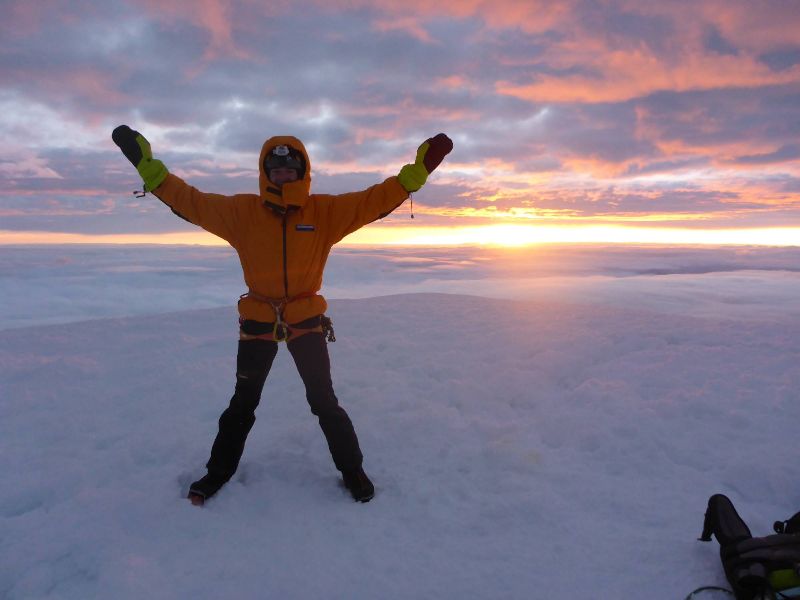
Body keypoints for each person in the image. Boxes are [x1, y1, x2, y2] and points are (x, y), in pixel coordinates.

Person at [112, 125, 453, 504]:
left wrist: (415, 174)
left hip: (306, 319)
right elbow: (191, 201)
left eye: (290, 170)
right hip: (258, 319)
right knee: (243, 402)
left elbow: (374, 200)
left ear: (302, 172)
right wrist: (150, 170)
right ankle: (217, 474)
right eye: (276, 171)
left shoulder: (324, 212)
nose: (283, 175)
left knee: (324, 401)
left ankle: (352, 471)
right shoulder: (242, 213)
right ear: (265, 174)